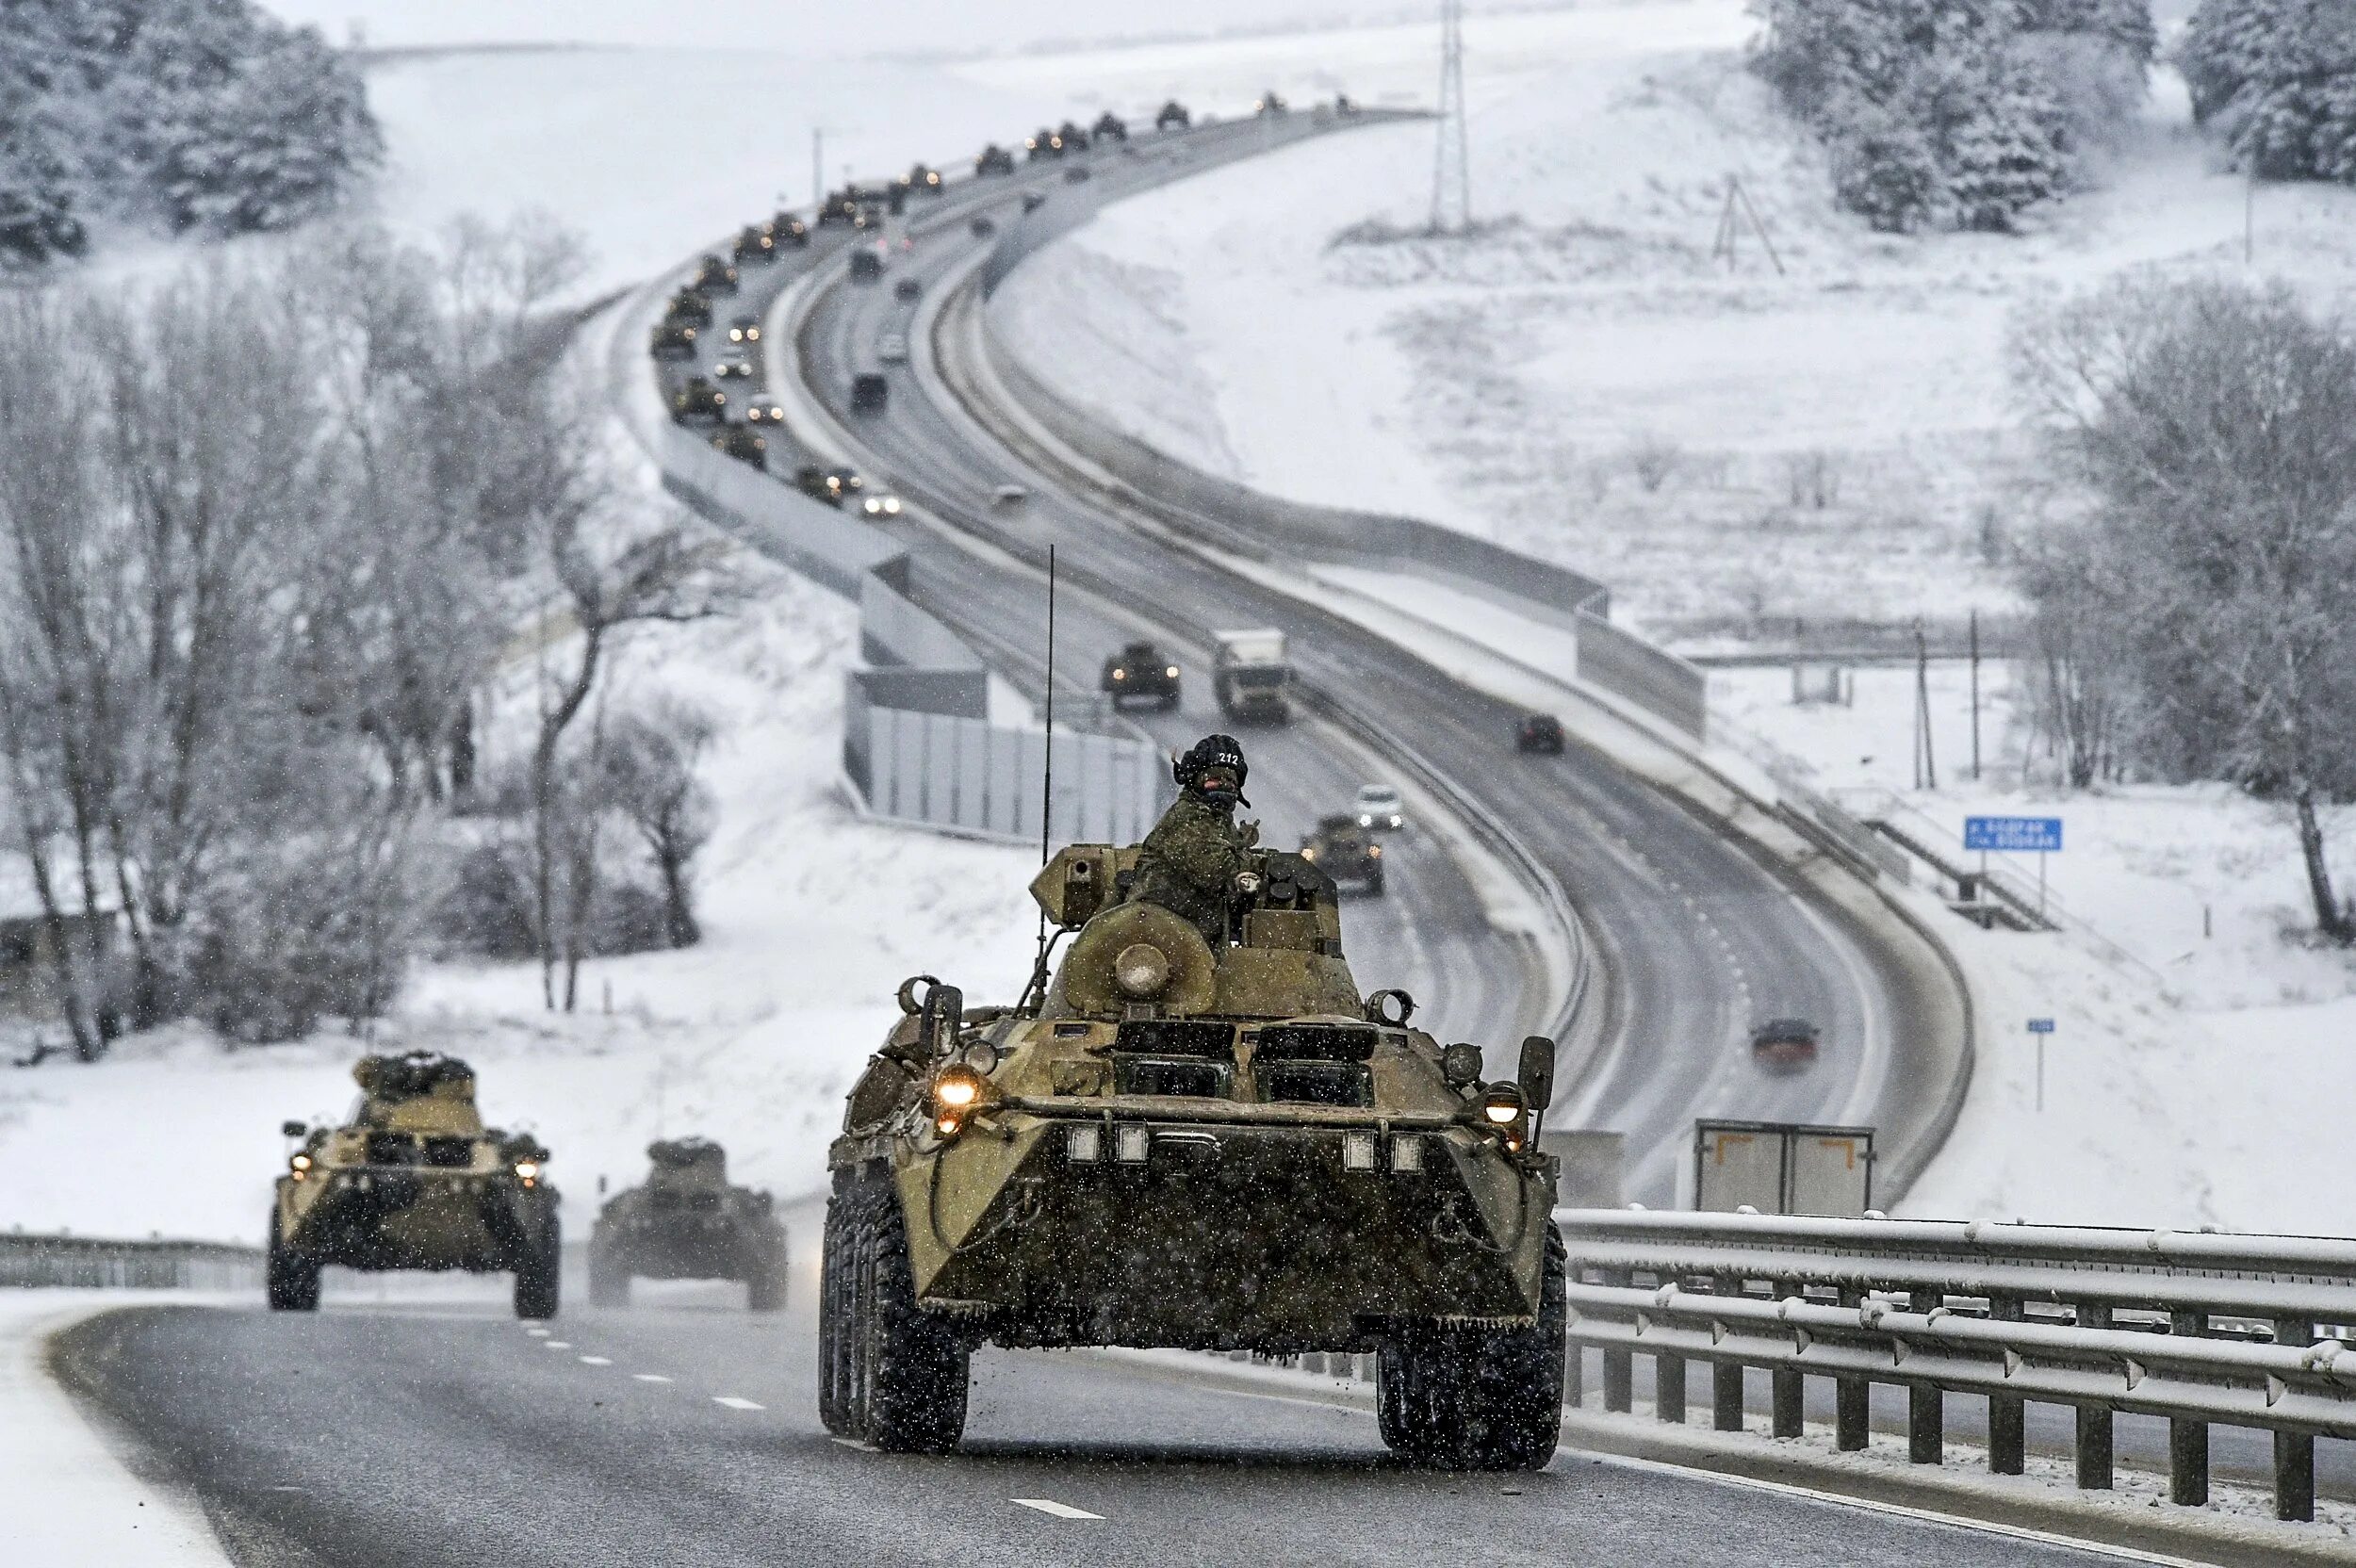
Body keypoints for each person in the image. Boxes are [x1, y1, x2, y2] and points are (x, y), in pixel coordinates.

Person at [1129, 734, 1261, 946]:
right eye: (1214, 779)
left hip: (1190, 937)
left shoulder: (1218, 821)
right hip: (1157, 936)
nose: (1223, 785)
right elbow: (1218, 871)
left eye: (1230, 781)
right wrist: (1248, 860)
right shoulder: (1190, 817)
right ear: (1196, 781)